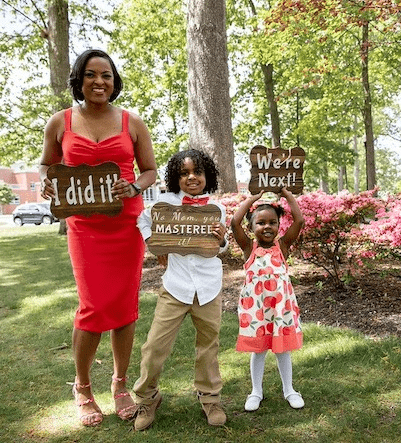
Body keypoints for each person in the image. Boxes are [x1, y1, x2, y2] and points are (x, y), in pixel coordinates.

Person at [39, 49, 158, 427]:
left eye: (106, 75)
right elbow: (46, 164)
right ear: (79, 79)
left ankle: (120, 384)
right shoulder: (60, 122)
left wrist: (135, 187)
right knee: (92, 307)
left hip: (125, 227)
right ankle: (83, 386)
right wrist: (47, 180)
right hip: (85, 228)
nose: (99, 82)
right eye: (91, 75)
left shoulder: (132, 122)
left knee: (124, 308)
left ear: (114, 81)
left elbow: (150, 170)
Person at [133, 149, 228, 431]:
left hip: (209, 287)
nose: (191, 178)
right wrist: (153, 241)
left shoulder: (217, 208)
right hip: (175, 286)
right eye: (184, 173)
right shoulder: (164, 203)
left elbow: (220, 247)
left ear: (207, 175)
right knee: (154, 346)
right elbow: (142, 219)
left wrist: (222, 240)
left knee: (208, 347)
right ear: (176, 178)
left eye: (197, 172)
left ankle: (210, 398)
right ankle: (147, 398)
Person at [230, 187, 305, 412]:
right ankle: (256, 391)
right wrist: (253, 198)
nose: (267, 227)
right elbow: (234, 222)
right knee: (259, 350)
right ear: (251, 227)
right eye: (260, 223)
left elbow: (299, 221)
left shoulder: (282, 247)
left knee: (283, 349)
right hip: (257, 310)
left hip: (281, 308)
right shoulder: (248, 248)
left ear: (278, 226)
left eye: (272, 222)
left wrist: (285, 194)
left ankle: (289, 390)